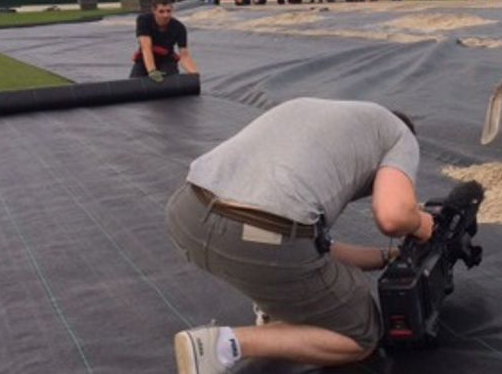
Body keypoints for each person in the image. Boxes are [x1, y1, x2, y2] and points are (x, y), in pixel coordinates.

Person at [165, 98, 431, 374]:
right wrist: (423, 225)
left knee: (294, 255)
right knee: (362, 333)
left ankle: (275, 308)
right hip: (257, 236)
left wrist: (386, 257)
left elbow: (316, 248)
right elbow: (393, 216)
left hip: (187, 213)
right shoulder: (401, 136)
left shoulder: (319, 114)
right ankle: (222, 346)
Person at [129, 0, 199, 81]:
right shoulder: (144, 20)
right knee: (135, 83)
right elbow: (146, 47)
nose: (165, 15)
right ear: (154, 10)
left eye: (168, 11)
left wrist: (194, 74)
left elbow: (184, 55)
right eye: (161, 11)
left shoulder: (179, 27)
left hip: (167, 60)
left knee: (168, 82)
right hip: (146, 58)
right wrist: (152, 71)